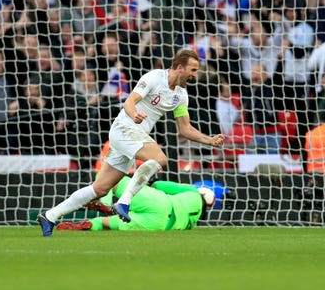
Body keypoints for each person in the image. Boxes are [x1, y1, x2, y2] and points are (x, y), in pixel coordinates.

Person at [37, 49, 225, 237]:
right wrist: (134, 114)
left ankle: (50, 215)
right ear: (179, 67)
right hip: (124, 128)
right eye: (192, 70)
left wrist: (210, 140)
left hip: (135, 137)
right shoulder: (153, 77)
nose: (194, 75)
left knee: (100, 189)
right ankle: (124, 203)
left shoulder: (181, 96)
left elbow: (185, 129)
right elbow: (130, 101)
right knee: (160, 158)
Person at [56, 176, 216, 232]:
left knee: (113, 180)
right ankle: (92, 223)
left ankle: (103, 201)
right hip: (160, 225)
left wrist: (152, 183)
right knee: (107, 224)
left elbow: (159, 185)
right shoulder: (192, 223)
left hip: (161, 202)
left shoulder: (193, 191)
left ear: (202, 192)